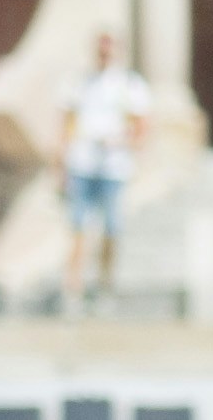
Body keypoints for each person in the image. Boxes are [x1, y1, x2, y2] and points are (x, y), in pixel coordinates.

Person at [57, 30, 149, 308]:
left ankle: (105, 286)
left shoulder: (129, 85)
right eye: (100, 51)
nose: (104, 56)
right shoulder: (80, 83)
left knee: (111, 227)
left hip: (113, 166)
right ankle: (73, 288)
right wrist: (61, 160)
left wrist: (121, 141)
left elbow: (141, 128)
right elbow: (67, 124)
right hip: (82, 162)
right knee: (77, 226)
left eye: (109, 51)